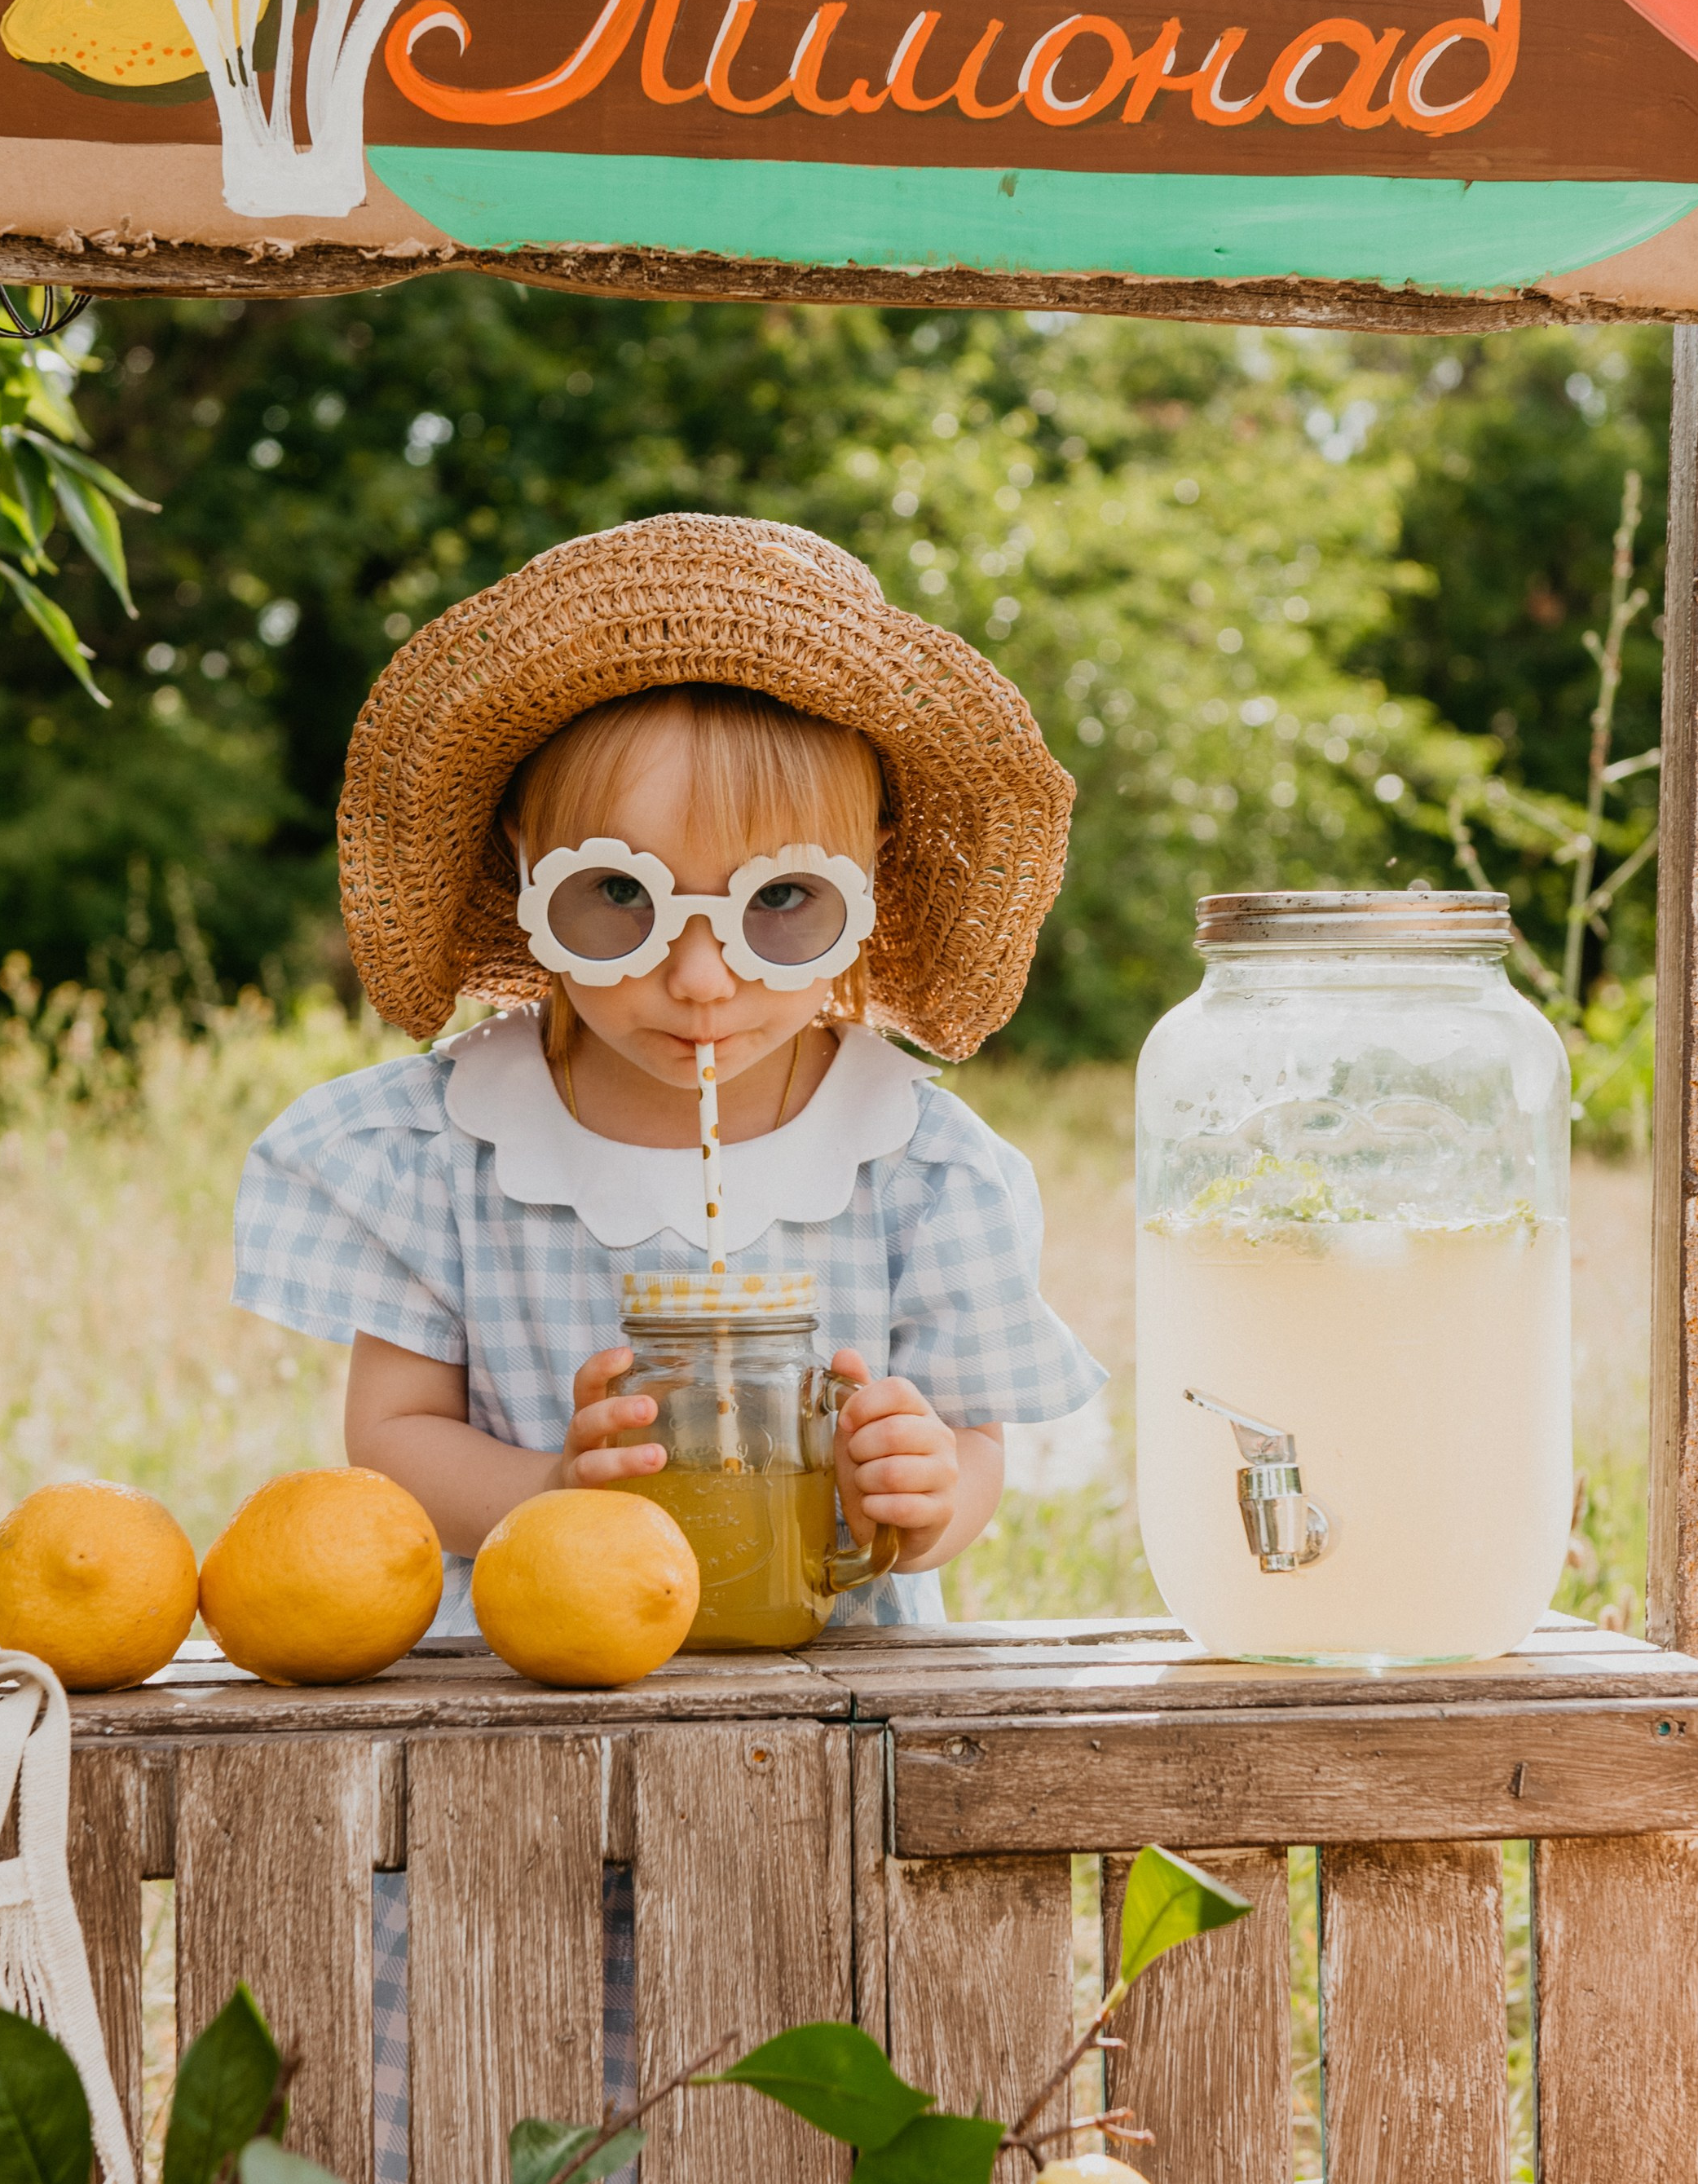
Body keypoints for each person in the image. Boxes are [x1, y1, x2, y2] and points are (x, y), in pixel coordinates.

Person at [232, 510, 1104, 1635]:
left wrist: (925, 1492)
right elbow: (393, 1435)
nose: (700, 979)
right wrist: (547, 1488)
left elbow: (969, 1440)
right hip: (526, 1678)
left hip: (834, 1694)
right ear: (524, 864)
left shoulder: (921, 1169)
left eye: (779, 902)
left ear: (870, 881)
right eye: (621, 898)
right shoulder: (443, 1150)